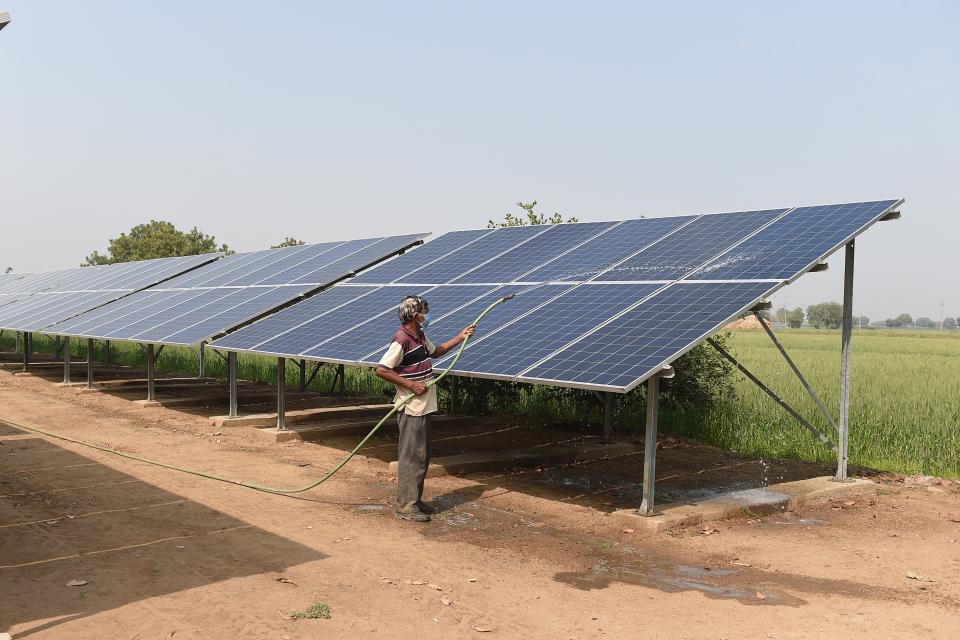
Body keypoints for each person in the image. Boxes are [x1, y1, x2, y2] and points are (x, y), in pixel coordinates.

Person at [375, 295, 475, 522]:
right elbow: (382, 369)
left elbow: (435, 352)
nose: (427, 315)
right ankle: (406, 506)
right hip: (411, 408)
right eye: (424, 311)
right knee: (411, 457)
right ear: (414, 315)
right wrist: (410, 384)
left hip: (423, 407)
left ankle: (415, 501)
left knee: (421, 456)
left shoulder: (418, 335)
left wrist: (461, 337)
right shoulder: (402, 339)